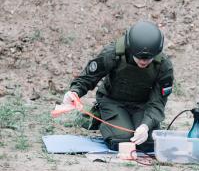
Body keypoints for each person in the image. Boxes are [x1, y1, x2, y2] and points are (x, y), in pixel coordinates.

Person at [62, 21, 174, 151]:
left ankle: (138, 125)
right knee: (121, 140)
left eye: (148, 58)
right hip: (113, 101)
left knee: (148, 142)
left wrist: (146, 126)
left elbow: (157, 102)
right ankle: (102, 120)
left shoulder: (163, 66)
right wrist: (74, 92)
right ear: (130, 48)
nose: (143, 61)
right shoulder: (113, 54)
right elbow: (89, 76)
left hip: (142, 105)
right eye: (139, 57)